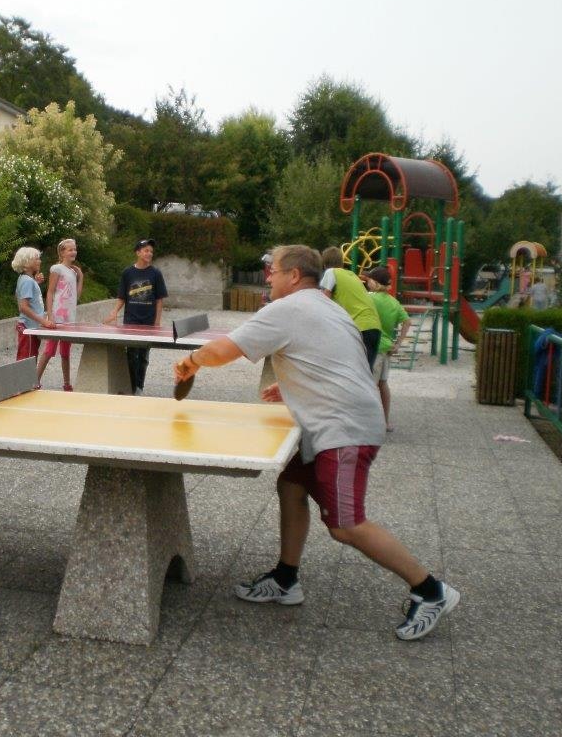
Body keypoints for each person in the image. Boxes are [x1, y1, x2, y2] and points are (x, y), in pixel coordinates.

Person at [173, 245, 459, 641]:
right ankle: (286, 579)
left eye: (273, 271)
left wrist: (189, 363)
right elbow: (341, 358)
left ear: (294, 276)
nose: (268, 277)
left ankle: (430, 590)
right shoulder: (329, 307)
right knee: (291, 485)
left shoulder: (287, 308)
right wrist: (295, 383)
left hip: (344, 429)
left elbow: (224, 350)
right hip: (341, 419)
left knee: (346, 525)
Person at [102, 238, 168, 395]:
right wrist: (114, 312)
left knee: (143, 356)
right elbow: (122, 297)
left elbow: (159, 300)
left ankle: (139, 387)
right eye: (146, 251)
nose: (149, 253)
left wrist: (157, 322)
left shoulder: (156, 273)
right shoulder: (127, 273)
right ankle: (131, 388)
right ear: (138, 253)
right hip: (131, 320)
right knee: (132, 355)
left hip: (148, 321)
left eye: (151, 251)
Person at [364, 266, 411, 431]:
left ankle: (369, 423)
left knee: (370, 386)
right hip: (387, 348)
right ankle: (385, 422)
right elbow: (407, 321)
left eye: (369, 279)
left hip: (374, 347)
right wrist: (398, 343)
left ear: (375, 283)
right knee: (383, 385)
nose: (367, 282)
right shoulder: (394, 302)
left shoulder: (369, 298)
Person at [319, 246, 382, 368]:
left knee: (352, 369)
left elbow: (324, 300)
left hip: (359, 326)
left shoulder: (331, 272)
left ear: (324, 263)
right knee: (366, 372)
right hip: (374, 325)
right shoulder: (352, 275)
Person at [36, 238, 83, 391]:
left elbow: (77, 296)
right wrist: (50, 315)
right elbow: (50, 292)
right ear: (62, 252)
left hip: (69, 318)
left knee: (66, 352)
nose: (73, 252)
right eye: (70, 249)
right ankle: (34, 380)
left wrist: (81, 277)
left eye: (74, 249)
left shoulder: (73, 272)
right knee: (49, 350)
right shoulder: (57, 269)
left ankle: (67, 383)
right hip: (57, 315)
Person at [12, 246, 54, 362]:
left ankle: (29, 375)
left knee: (29, 358)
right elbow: (23, 307)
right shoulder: (27, 281)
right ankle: (26, 376)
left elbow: (20, 296)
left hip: (31, 326)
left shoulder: (24, 279)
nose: (39, 261)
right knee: (27, 361)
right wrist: (43, 321)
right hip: (28, 327)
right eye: (36, 259)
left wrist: (36, 283)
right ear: (26, 263)